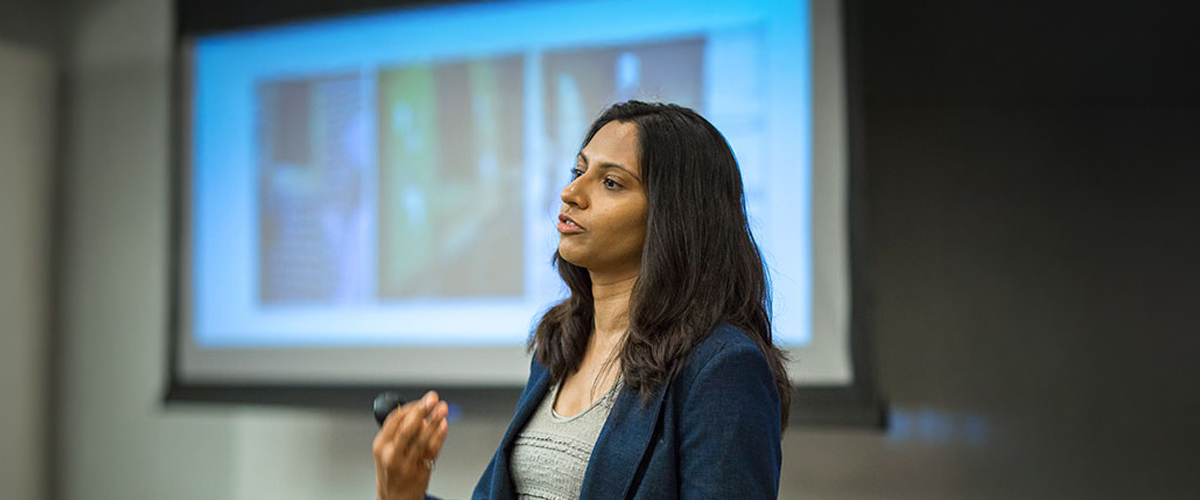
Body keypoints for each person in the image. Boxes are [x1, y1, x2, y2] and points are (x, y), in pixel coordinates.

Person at [373, 100, 792, 500]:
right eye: (578, 170)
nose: (571, 192)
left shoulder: (723, 367)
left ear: (675, 215)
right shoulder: (562, 341)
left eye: (611, 182)